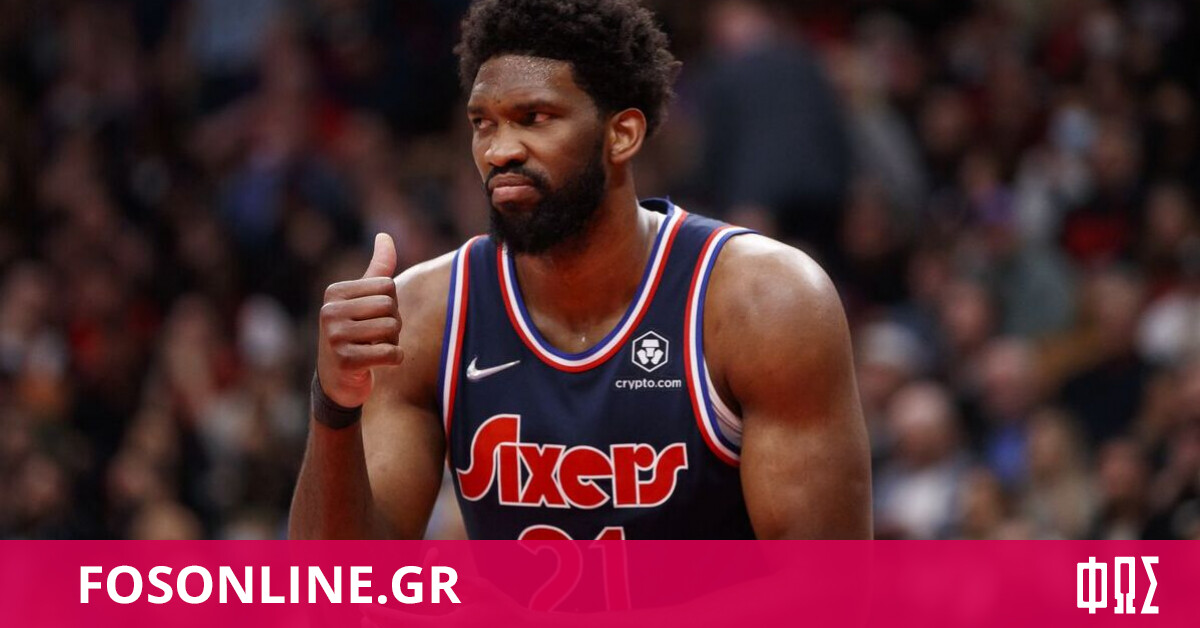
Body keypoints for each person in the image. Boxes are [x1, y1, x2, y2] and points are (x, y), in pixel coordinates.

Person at [289, 0, 870, 540]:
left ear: (622, 134)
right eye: (483, 123)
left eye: (534, 117)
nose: (499, 150)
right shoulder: (424, 315)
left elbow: (827, 593)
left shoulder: (764, 301)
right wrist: (335, 402)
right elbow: (338, 589)